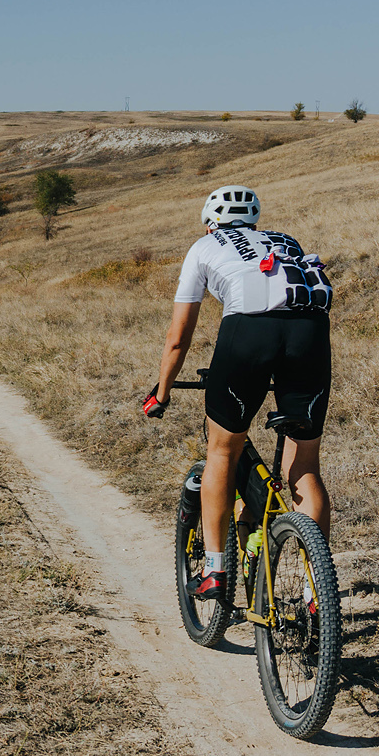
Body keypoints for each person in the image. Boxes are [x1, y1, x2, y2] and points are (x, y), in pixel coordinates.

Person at [141, 185, 333, 600]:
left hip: (249, 333)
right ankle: (317, 593)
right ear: (255, 221)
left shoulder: (205, 246)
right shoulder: (286, 243)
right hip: (311, 335)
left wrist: (163, 391)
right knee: (305, 466)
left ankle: (215, 570)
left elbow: (178, 338)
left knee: (222, 451)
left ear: (210, 222)